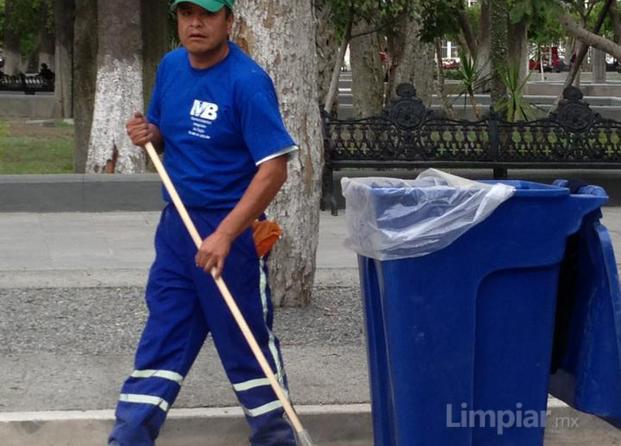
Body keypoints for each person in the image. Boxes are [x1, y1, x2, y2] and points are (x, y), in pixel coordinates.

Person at [109, 0, 299, 445]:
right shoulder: (172, 67)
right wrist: (148, 135)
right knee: (163, 336)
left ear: (229, 21)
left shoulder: (248, 83)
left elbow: (274, 169)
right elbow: (162, 131)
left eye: (208, 14)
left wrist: (227, 234)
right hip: (177, 228)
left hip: (229, 232)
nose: (196, 23)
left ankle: (278, 439)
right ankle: (130, 437)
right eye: (186, 13)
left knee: (245, 346)